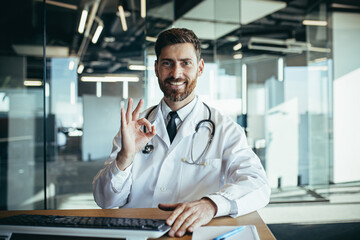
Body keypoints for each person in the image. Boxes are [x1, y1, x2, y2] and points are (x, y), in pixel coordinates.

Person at [93, 28, 270, 237]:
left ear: (200, 68)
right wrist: (125, 158)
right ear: (156, 68)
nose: (176, 73)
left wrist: (211, 205)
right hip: (136, 234)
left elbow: (258, 185)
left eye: (186, 63)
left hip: (192, 235)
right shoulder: (134, 126)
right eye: (168, 63)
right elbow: (105, 200)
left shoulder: (225, 129)